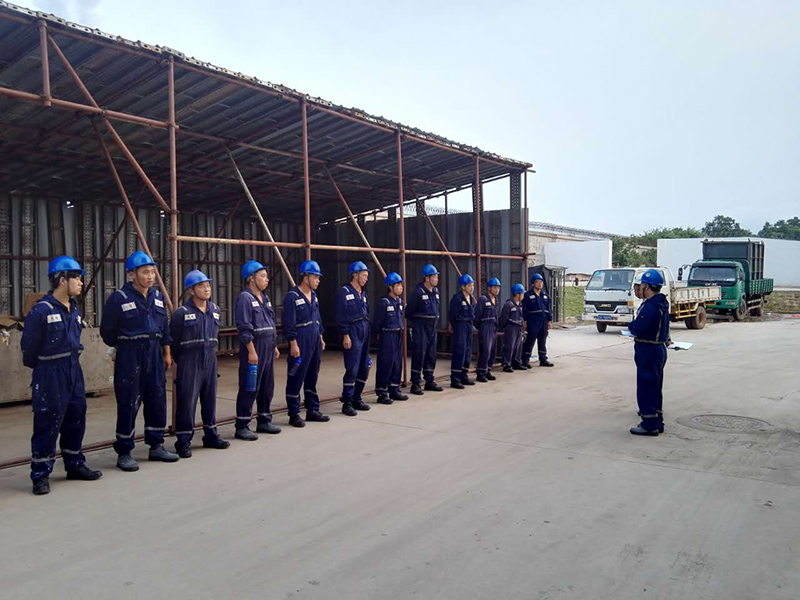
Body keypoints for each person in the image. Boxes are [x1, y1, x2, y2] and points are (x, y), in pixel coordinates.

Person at [21, 256, 102, 495]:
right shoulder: (41, 311)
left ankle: (74, 464)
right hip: (50, 372)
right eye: (76, 278)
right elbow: (29, 350)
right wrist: (45, 369)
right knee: (48, 421)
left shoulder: (74, 309)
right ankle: (40, 474)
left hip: (73, 369)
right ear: (62, 280)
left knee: (76, 415)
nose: (81, 282)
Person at [100, 251, 178, 471]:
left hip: (154, 354)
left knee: (157, 398)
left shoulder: (157, 297)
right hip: (130, 355)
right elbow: (108, 332)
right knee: (128, 402)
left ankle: (156, 445)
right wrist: (125, 345)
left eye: (152, 272)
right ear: (132, 274)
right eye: (145, 272)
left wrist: (166, 353)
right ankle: (124, 451)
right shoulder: (119, 298)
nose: (150, 276)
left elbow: (165, 329)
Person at [170, 270, 230, 457]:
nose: (206, 289)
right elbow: (173, 341)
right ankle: (183, 441)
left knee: (210, 399)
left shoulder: (215, 310)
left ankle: (211, 435)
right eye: (201, 286)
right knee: (187, 401)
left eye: (208, 285)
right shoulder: (181, 313)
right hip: (189, 361)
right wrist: (183, 361)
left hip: (210, 359)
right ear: (191, 290)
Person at [233, 261, 282, 440]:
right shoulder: (245, 298)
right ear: (251, 278)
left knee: (267, 386)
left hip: (268, 347)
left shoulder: (264, 298)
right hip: (255, 348)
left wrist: (274, 345)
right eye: (262, 276)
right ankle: (242, 425)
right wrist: (251, 351)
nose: (266, 279)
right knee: (250, 386)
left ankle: (264, 420)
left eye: (266, 276)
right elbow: (244, 327)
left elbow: (270, 322)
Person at [283, 260, 329, 427]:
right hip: (301, 339)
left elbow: (317, 317)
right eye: (315, 277)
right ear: (305, 277)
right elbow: (289, 323)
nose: (318, 281)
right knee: (296, 376)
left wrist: (321, 337)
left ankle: (312, 409)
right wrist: (293, 344)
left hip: (314, 338)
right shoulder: (292, 297)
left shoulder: (314, 296)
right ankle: (294, 413)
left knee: (312, 375)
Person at [628, 269, 670, 436]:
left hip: (648, 350)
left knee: (646, 387)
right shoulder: (661, 303)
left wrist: (631, 326)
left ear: (647, 287)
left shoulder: (651, 306)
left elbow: (638, 328)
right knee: (655, 387)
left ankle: (649, 424)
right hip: (658, 349)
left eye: (642, 286)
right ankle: (657, 421)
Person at [335, 261, 373, 416]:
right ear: (355, 275)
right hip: (352, 331)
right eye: (363, 275)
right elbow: (340, 315)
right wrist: (345, 335)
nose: (366, 279)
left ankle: (357, 398)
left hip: (364, 329)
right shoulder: (344, 292)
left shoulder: (363, 294)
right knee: (352, 368)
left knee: (364, 366)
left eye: (366, 276)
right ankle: (347, 402)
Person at [406, 264, 443, 395]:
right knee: (419, 354)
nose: (437, 279)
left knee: (431, 354)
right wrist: (417, 322)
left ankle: (429, 380)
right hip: (421, 327)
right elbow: (409, 311)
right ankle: (415, 383)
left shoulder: (436, 292)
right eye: (434, 276)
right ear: (427, 278)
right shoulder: (418, 292)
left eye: (437, 276)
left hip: (432, 327)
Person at [373, 272, 407, 404]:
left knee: (397, 363)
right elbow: (377, 322)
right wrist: (378, 334)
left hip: (397, 334)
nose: (400, 288)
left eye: (401, 285)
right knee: (386, 363)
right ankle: (382, 392)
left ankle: (394, 389)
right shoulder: (384, 302)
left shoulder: (399, 301)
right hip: (387, 335)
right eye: (397, 285)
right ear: (390, 287)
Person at [448, 274, 477, 389]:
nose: (472, 288)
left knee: (468, 351)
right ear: (463, 287)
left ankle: (464, 375)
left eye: (473, 285)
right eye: (469, 285)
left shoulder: (471, 299)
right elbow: (453, 315)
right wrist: (457, 326)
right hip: (460, 326)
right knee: (459, 351)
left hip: (469, 325)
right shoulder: (458, 299)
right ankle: (455, 378)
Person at [521, 274, 554, 368]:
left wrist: (549, 320)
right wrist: (525, 321)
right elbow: (525, 309)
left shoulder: (545, 295)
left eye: (541, 282)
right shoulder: (528, 295)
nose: (540, 284)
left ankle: (543, 359)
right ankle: (525, 360)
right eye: (537, 282)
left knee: (542, 340)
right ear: (533, 284)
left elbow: (548, 309)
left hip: (543, 320)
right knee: (530, 340)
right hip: (533, 321)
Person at [474, 277, 500, 383]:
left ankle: (488, 370)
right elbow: (477, 316)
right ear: (489, 288)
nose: (497, 289)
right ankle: (481, 373)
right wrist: (481, 328)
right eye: (495, 287)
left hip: (493, 327)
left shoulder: (496, 301)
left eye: (498, 287)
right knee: (485, 350)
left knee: (492, 351)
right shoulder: (483, 299)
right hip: (485, 327)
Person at [499, 283, 526, 372]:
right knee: (509, 346)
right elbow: (503, 317)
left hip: (518, 327)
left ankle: (516, 362)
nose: (523, 295)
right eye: (522, 293)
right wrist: (503, 327)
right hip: (511, 327)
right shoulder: (509, 304)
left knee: (518, 346)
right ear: (517, 294)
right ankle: (506, 364)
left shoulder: (520, 305)